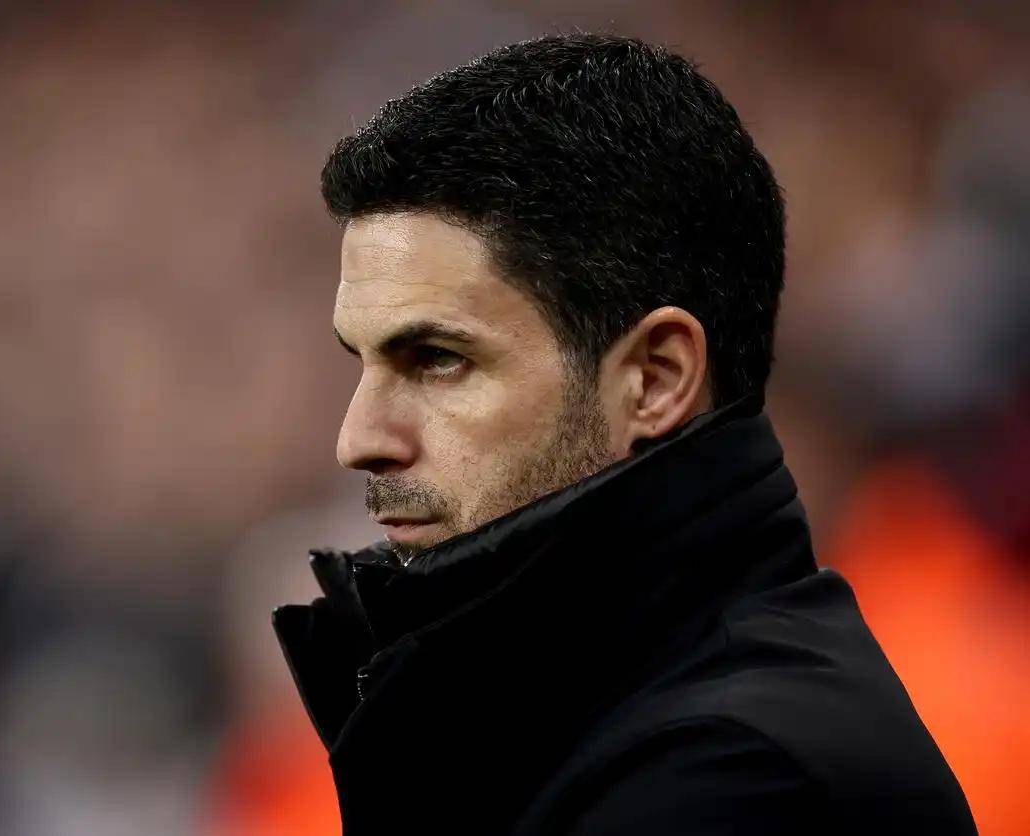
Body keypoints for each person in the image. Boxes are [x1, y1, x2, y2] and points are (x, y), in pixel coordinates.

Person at [271, 34, 975, 835]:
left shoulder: (736, 781)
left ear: (655, 379)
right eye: (362, 362)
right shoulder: (599, 721)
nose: (359, 438)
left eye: (437, 358)